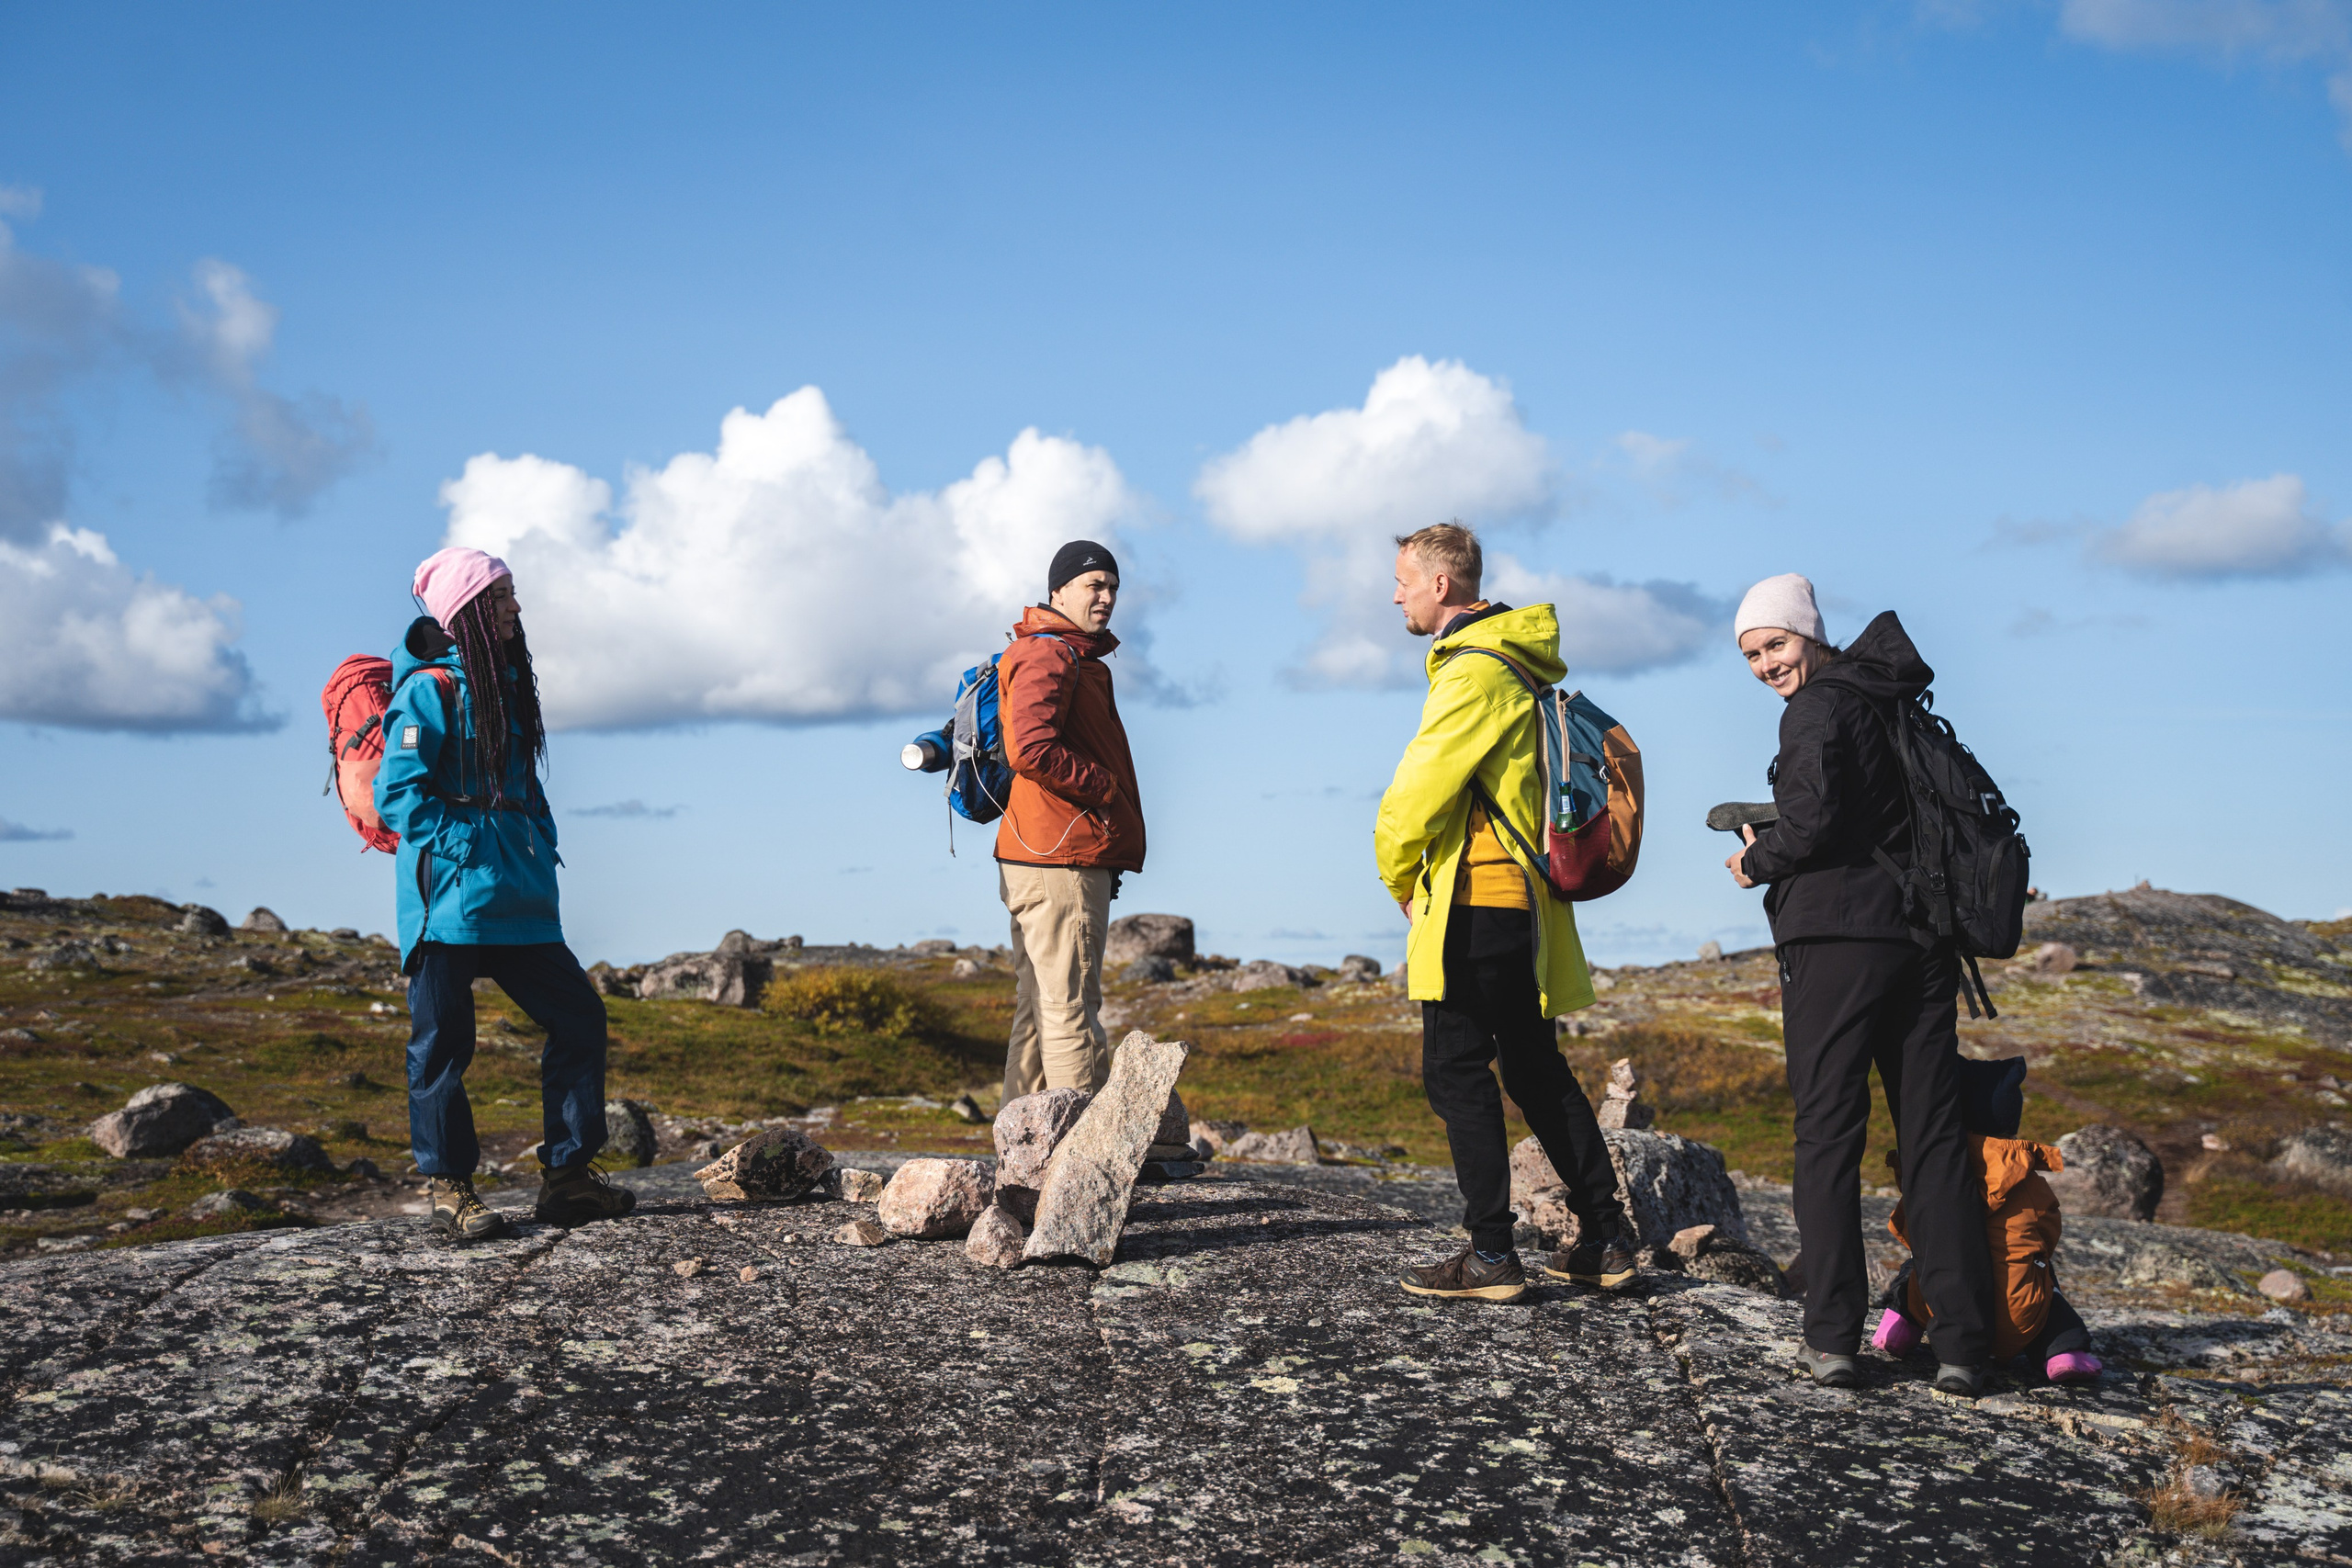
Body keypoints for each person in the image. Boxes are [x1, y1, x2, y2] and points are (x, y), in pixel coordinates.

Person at [1723, 573, 1996, 1394]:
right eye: (1752, 653)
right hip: (1923, 946)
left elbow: (1809, 824)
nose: (1767, 663)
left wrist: (1753, 859)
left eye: (1775, 643)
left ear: (1808, 634)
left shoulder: (1813, 709)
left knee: (1830, 1136)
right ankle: (1962, 1345)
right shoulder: (1888, 698)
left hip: (1839, 944)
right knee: (1935, 1142)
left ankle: (1833, 1337)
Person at [1374, 522, 1634, 1303]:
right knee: (1533, 1066)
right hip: (1523, 909)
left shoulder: (1472, 674)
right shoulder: (1517, 665)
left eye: (1403, 581)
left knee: (1455, 1069)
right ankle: (1606, 1236)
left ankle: (1491, 1252)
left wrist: (1398, 878)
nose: (1396, 595)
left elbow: (1413, 799)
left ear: (1441, 585)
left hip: (1474, 905)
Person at [375, 546, 637, 1241]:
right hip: (448, 902)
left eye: (512, 594)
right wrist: (468, 847)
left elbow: (521, 783)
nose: (515, 607)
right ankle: (450, 1187)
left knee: (579, 1018)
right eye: (501, 597)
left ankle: (568, 1178)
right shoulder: (429, 690)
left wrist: (536, 837)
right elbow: (396, 794)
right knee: (442, 1045)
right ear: (466, 610)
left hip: (520, 900)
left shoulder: (506, 684)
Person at [995, 539, 1145, 1100]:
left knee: (1038, 1012)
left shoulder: (1062, 654)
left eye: (1112, 588)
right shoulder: (1050, 653)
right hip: (1062, 855)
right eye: (1094, 586)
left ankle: (1023, 1158)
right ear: (1058, 590)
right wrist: (1103, 789)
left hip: (1038, 851)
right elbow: (1030, 748)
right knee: (1069, 1008)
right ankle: (1079, 1163)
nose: (1105, 597)